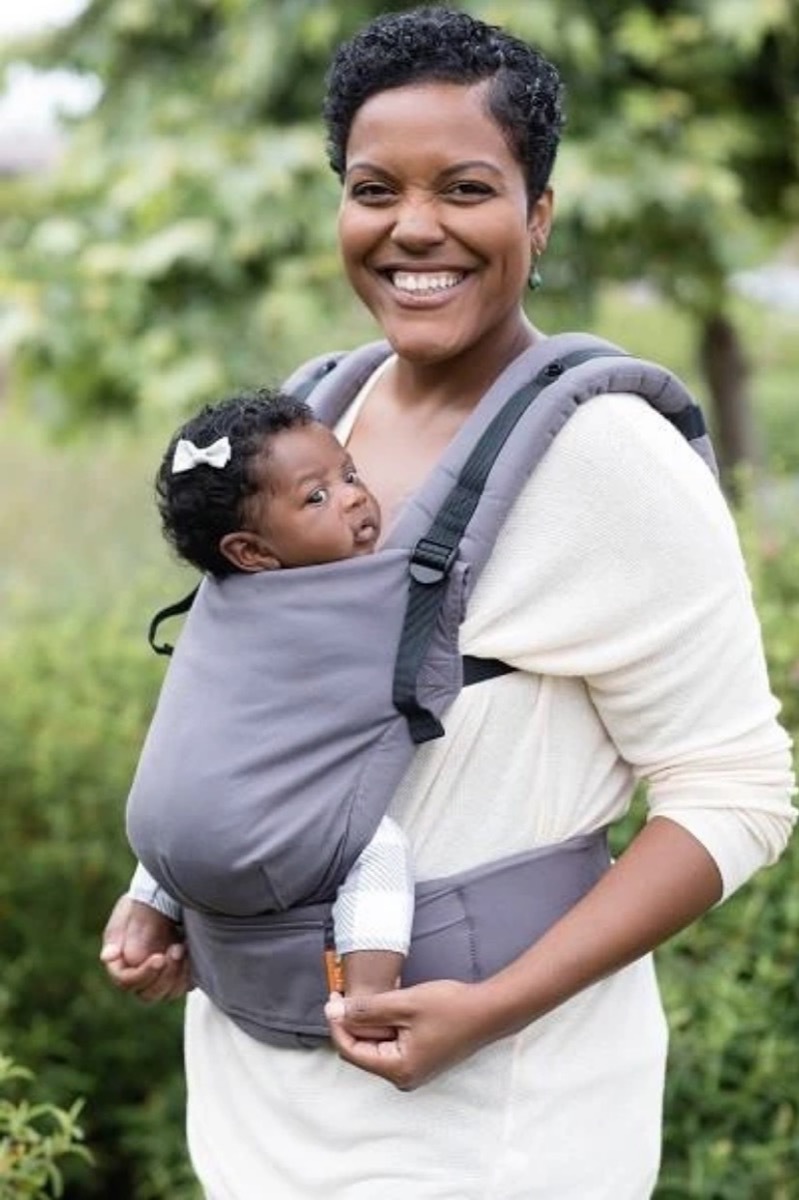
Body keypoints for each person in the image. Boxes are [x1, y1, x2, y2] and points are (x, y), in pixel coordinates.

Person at [101, 7, 796, 1197]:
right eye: (374, 188)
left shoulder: (606, 458)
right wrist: (174, 890)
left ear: (538, 214)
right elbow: (261, 716)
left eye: (466, 188)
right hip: (259, 1087)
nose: (413, 227)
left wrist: (492, 1008)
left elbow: (736, 789)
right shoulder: (315, 424)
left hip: (494, 1116)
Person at [127, 386, 415, 1021]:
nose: (355, 497)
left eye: (350, 474)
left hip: (160, 828)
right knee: (376, 845)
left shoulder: (218, 605)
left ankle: (148, 910)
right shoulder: (347, 602)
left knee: (199, 799)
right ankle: (370, 996)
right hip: (249, 835)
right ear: (251, 553)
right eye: (317, 497)